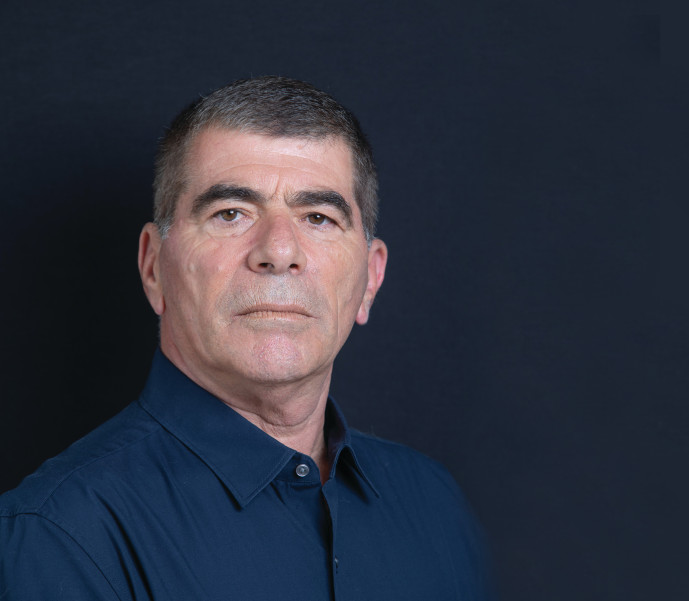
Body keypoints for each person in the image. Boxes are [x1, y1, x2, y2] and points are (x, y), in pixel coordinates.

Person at [0, 76, 492, 600]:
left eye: (319, 217)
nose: (279, 251)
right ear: (153, 268)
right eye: (231, 213)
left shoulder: (435, 504)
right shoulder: (58, 535)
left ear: (370, 279)